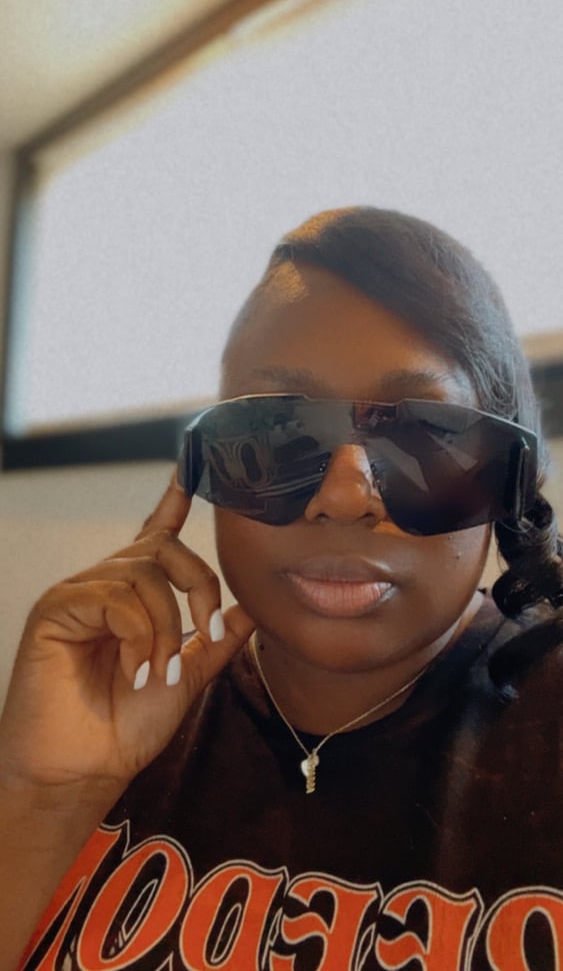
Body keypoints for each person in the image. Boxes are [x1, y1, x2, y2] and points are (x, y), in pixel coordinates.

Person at [1, 206, 562, 971]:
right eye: (277, 434)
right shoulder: (111, 702)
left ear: (507, 479)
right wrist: (40, 795)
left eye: (424, 437)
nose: (343, 497)